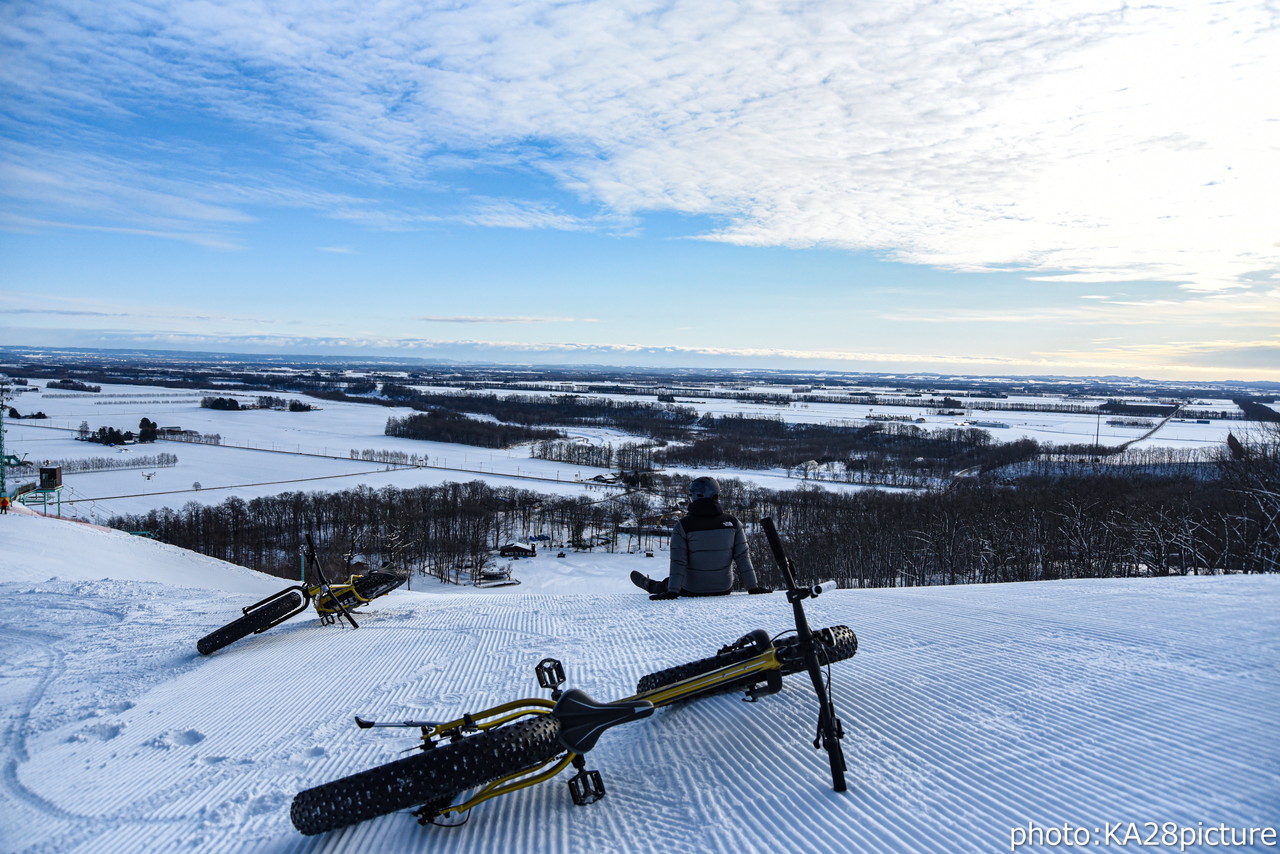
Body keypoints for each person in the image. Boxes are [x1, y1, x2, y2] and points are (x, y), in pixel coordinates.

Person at [631, 476, 770, 600]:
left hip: (691, 590)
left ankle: (648, 584)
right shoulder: (733, 523)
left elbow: (678, 562)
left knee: (666, 584)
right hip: (723, 588)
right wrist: (753, 587)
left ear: (693, 497)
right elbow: (743, 557)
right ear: (716, 496)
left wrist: (673, 591)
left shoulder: (683, 525)